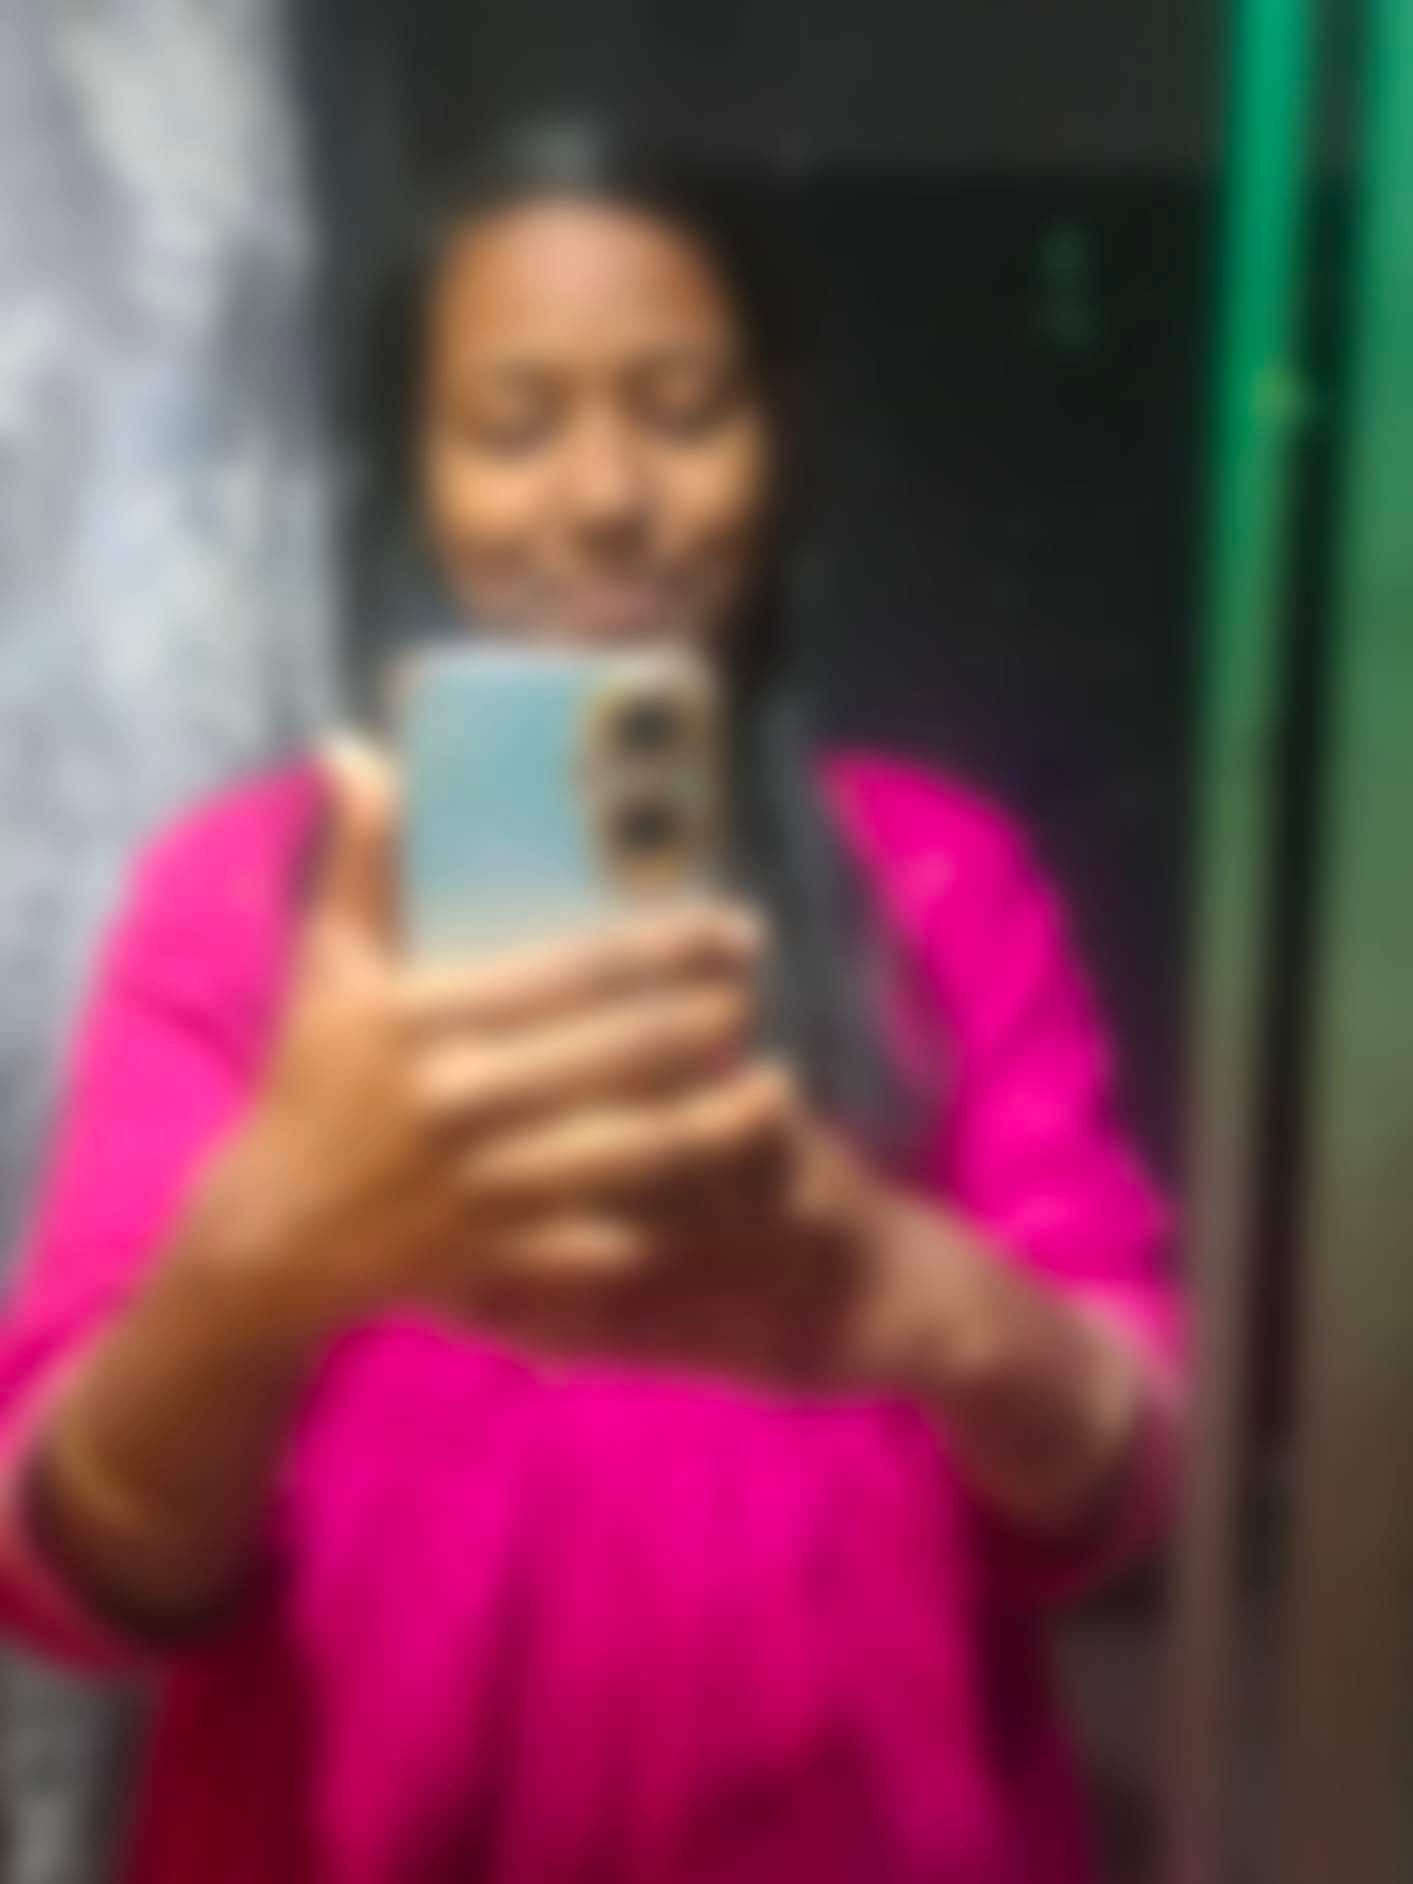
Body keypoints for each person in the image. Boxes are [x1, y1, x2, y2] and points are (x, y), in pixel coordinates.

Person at [0, 124, 1186, 1883]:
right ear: (413, 473)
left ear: (775, 442)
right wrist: (259, 1269)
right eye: (512, 427)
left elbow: (1126, 1476)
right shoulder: (242, 902)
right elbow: (71, 1578)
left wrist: (918, 1302)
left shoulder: (936, 880)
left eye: (684, 410)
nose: (608, 496)